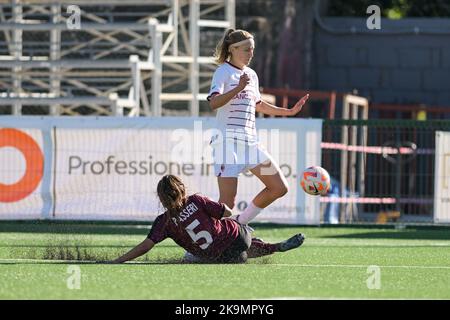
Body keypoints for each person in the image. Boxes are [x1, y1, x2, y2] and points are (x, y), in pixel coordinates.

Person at [207, 29, 309, 225]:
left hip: (250, 143)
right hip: (227, 144)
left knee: (279, 187)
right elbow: (213, 103)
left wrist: (288, 111)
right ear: (232, 49)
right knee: (227, 203)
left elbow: (258, 104)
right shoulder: (223, 72)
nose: (250, 53)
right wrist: (237, 88)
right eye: (246, 49)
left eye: (252, 49)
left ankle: (240, 223)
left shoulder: (251, 75)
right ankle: (206, 244)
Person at [112, 175, 305, 264]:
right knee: (238, 233)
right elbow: (227, 212)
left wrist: (118, 261)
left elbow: (145, 246)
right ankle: (271, 246)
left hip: (214, 257)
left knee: (191, 257)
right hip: (237, 237)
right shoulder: (196, 200)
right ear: (182, 189)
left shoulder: (164, 222)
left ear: (161, 198)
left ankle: (266, 247)